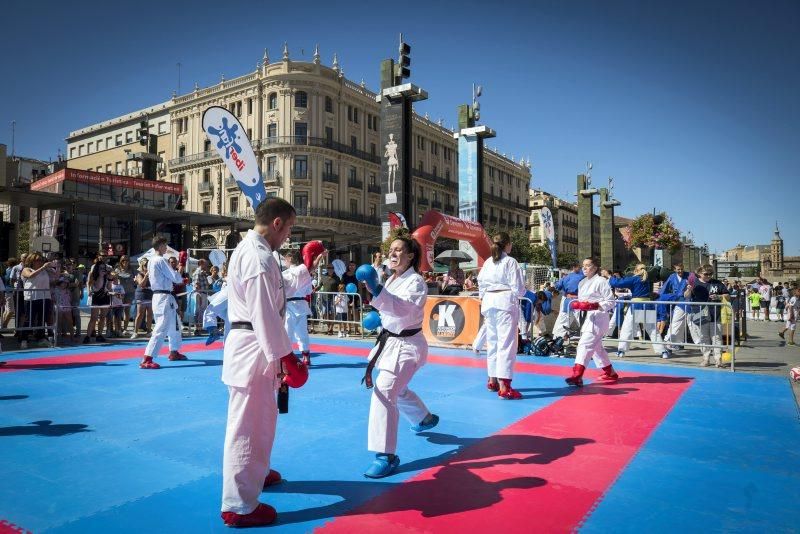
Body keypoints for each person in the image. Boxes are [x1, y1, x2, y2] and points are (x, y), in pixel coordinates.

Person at [220, 198, 309, 527]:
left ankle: (256, 470)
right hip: (254, 346)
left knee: (263, 417)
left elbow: (279, 290)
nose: (289, 235)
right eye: (289, 228)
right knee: (247, 426)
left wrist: (304, 269)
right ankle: (238, 505)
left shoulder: (259, 253)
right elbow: (264, 311)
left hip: (257, 347)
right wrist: (286, 357)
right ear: (277, 224)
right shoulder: (257, 257)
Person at [356, 232, 439, 478]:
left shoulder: (416, 282)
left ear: (411, 255)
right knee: (397, 388)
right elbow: (388, 309)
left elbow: (403, 310)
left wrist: (374, 288)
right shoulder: (392, 279)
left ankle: (385, 455)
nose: (392, 253)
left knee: (384, 391)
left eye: (399, 249)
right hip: (390, 343)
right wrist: (377, 320)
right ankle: (422, 417)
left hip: (407, 346)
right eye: (391, 249)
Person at [477, 232, 527, 399]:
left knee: (493, 343)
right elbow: (519, 288)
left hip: (489, 302)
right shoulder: (510, 261)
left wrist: (484, 297)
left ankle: (492, 380)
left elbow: (481, 283)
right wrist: (521, 294)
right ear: (507, 245)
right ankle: (504, 386)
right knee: (506, 344)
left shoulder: (488, 263)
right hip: (504, 302)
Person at [564, 257, 620, 386]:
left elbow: (611, 302)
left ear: (595, 268)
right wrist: (578, 305)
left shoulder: (601, 281)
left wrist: (594, 305)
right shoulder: (582, 282)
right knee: (596, 349)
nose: (584, 268)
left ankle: (577, 374)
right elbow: (583, 301)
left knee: (584, 345)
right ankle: (610, 372)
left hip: (598, 319)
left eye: (588, 265)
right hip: (586, 319)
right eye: (583, 265)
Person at [139, 237, 187, 369]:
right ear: (160, 246)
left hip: (165, 296)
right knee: (161, 327)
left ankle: (174, 351)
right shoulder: (160, 260)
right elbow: (176, 278)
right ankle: (147, 358)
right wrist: (181, 265)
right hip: (163, 297)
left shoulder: (151, 261)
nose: (166, 248)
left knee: (174, 325)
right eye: (165, 245)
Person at [282, 247, 327, 366]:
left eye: (285, 259)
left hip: (290, 305)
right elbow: (312, 268)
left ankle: (287, 360)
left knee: (287, 334)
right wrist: (319, 257)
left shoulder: (287, 273)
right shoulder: (305, 272)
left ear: (290, 258)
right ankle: (306, 357)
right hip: (301, 305)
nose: (284, 261)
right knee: (302, 333)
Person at [610, 263, 665, 358]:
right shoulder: (647, 279)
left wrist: (610, 277)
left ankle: (621, 351)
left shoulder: (635, 279)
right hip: (647, 306)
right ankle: (663, 351)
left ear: (636, 271)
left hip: (636, 306)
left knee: (627, 329)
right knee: (652, 330)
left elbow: (617, 283)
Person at [687, 264, 728, 367]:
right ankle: (706, 359)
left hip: (715, 313)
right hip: (700, 314)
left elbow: (727, 295)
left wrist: (718, 296)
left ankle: (718, 360)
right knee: (703, 337)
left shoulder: (717, 283)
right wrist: (688, 289)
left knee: (716, 337)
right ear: (700, 273)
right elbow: (686, 296)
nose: (709, 276)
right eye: (706, 274)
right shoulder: (694, 283)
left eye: (711, 274)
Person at [660, 262, 698, 356]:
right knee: (677, 324)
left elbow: (696, 287)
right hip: (678, 302)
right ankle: (675, 343)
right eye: (678, 269)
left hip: (690, 302)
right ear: (674, 269)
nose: (680, 271)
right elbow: (665, 288)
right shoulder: (672, 277)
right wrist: (659, 296)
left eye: (681, 269)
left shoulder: (690, 276)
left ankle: (704, 345)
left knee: (694, 325)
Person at [20, 253, 57, 348]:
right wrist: (43, 268)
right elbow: (31, 275)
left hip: (45, 297)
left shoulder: (45, 270)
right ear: (32, 261)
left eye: (41, 260)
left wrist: (57, 266)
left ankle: (40, 338)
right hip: (31, 297)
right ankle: (24, 339)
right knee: (29, 319)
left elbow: (56, 276)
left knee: (42, 319)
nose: (40, 262)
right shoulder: (26, 269)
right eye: (37, 260)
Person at [84, 253, 114, 344]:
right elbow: (89, 282)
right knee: (93, 317)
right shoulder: (94, 270)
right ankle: (87, 336)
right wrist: (89, 290)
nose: (103, 269)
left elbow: (109, 284)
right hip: (96, 295)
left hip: (105, 295)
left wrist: (110, 280)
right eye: (101, 268)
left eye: (104, 268)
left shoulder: (108, 270)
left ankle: (100, 335)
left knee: (103, 317)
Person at [552, 262, 585, 342]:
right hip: (578, 300)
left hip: (567, 301)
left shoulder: (566, 277)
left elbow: (557, 286)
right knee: (582, 321)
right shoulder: (583, 277)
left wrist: (564, 292)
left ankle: (557, 339)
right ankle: (587, 338)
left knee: (563, 320)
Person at [131, 258, 153, 338]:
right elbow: (141, 284)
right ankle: (135, 332)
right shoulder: (139, 274)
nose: (147, 267)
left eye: (148, 265)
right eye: (146, 265)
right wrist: (146, 276)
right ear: (142, 266)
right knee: (140, 314)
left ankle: (149, 331)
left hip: (150, 295)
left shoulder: (152, 274)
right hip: (141, 295)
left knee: (150, 314)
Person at [114, 255, 136, 334]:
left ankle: (125, 329)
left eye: (127, 260)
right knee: (119, 311)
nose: (125, 262)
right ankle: (118, 328)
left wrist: (135, 281)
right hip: (120, 293)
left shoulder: (131, 269)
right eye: (123, 260)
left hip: (130, 292)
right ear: (121, 261)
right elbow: (114, 281)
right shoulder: (117, 270)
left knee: (127, 311)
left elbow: (135, 279)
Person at [192, 259, 211, 336]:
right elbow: (197, 285)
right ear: (201, 264)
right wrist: (199, 294)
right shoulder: (198, 272)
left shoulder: (203, 273)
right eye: (206, 264)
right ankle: (197, 328)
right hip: (200, 293)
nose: (207, 266)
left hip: (203, 293)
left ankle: (200, 328)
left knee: (202, 311)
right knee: (198, 311)